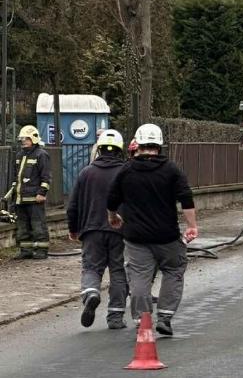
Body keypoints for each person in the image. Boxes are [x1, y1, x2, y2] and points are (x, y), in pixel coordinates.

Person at [107, 123, 198, 336]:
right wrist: (192, 225)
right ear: (159, 145)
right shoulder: (171, 169)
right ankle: (165, 316)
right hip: (166, 236)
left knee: (139, 277)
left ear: (137, 144)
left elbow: (111, 198)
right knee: (174, 270)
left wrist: (113, 217)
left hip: (136, 237)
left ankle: (142, 319)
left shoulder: (126, 170)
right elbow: (186, 198)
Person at [68, 129, 128, 329]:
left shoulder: (86, 172)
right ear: (120, 150)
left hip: (91, 229)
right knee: (118, 271)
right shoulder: (126, 172)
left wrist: (73, 228)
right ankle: (115, 317)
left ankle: (92, 292)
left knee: (92, 268)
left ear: (99, 149)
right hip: (120, 230)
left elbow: (73, 205)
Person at [4, 126, 52, 260]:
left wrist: (42, 193)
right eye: (22, 139)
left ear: (33, 138)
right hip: (21, 198)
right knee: (22, 226)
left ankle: (42, 250)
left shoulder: (41, 155)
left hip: (35, 198)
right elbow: (16, 177)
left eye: (26, 138)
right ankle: (26, 250)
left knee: (38, 225)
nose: (23, 141)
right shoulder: (19, 155)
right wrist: (13, 193)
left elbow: (46, 177)